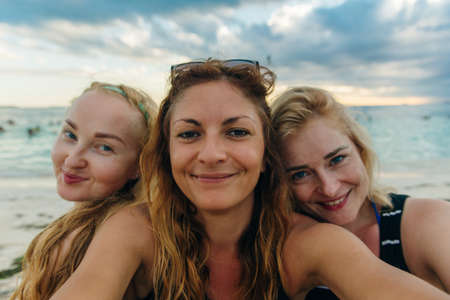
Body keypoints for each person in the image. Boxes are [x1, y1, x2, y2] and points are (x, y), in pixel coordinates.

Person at [49, 60, 449, 300]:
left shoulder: (308, 242)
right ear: (165, 154)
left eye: (236, 132)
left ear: (265, 156)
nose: (211, 154)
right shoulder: (137, 230)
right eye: (189, 134)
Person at [271, 86, 450, 299]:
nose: (329, 188)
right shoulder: (282, 247)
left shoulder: (428, 221)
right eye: (300, 174)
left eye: (337, 160)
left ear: (360, 149)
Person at [10, 82, 157, 300]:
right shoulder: (87, 221)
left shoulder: (129, 226)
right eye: (70, 135)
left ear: (139, 166)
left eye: (104, 147)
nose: (73, 159)